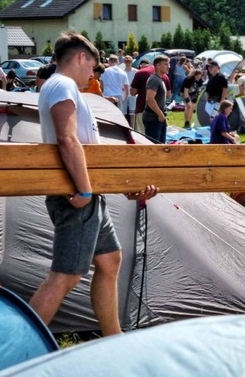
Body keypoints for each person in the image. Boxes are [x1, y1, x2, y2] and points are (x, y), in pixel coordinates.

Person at [30, 30, 157, 336]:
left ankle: (114, 340)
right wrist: (86, 189)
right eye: (92, 66)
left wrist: (117, 186)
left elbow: (86, 146)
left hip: (88, 194)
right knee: (65, 276)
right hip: (77, 195)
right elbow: (68, 138)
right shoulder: (62, 85)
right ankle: (15, 345)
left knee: (110, 260)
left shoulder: (63, 87)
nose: (93, 73)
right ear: (80, 58)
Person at [130, 61, 170, 134]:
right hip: (160, 113)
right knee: (158, 141)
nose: (168, 66)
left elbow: (132, 92)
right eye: (166, 64)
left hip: (143, 109)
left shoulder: (140, 73)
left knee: (141, 137)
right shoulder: (164, 76)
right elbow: (168, 95)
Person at [143, 55, 170, 144]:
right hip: (153, 119)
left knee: (161, 147)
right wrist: (160, 114)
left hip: (159, 118)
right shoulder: (154, 79)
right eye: (166, 64)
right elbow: (149, 99)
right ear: (158, 66)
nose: (168, 66)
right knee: (154, 148)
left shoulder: (160, 79)